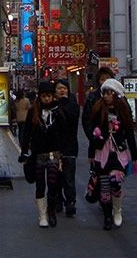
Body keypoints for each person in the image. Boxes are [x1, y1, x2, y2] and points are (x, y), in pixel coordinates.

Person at [87, 78, 137, 231]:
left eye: (110, 93)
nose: (107, 96)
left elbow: (129, 134)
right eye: (105, 93)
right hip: (101, 152)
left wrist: (134, 156)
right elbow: (94, 135)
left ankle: (117, 210)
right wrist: (91, 153)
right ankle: (107, 216)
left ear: (116, 95)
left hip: (118, 153)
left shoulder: (122, 111)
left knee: (115, 182)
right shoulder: (98, 110)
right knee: (104, 187)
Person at [19, 81, 67, 228]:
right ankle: (42, 215)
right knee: (40, 185)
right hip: (38, 154)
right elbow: (27, 133)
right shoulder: (34, 111)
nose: (47, 99)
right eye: (44, 96)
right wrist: (25, 151)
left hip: (53, 154)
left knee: (53, 185)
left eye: (49, 96)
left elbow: (64, 132)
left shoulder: (58, 111)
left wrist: (63, 153)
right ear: (39, 97)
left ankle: (51, 212)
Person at [54, 79, 79, 218]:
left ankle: (70, 202)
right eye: (59, 88)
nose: (62, 90)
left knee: (69, 177)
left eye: (64, 88)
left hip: (69, 146)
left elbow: (72, 121)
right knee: (56, 177)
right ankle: (58, 200)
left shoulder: (73, 105)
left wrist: (63, 103)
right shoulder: (51, 106)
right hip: (55, 147)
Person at [81, 67, 115, 138]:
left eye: (108, 78)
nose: (105, 81)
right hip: (98, 139)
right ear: (98, 81)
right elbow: (86, 119)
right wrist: (93, 136)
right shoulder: (92, 97)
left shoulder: (119, 95)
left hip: (117, 139)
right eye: (102, 79)